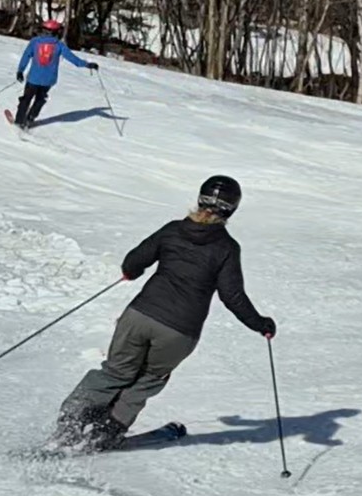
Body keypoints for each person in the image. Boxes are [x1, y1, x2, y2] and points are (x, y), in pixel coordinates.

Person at [52, 176, 272, 451]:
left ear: (200, 198)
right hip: (179, 331)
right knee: (148, 379)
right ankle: (106, 431)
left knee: (115, 372)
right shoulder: (226, 248)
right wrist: (260, 324)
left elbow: (133, 262)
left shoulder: (173, 230)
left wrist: (131, 272)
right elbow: (232, 296)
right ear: (232, 209)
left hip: (140, 315)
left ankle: (71, 420)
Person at [12, 19, 99, 129]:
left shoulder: (35, 42)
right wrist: (87, 65)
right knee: (40, 99)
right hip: (48, 80)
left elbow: (26, 56)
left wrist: (20, 70)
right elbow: (74, 60)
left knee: (26, 98)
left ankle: (19, 121)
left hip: (33, 79)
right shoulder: (59, 45)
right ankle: (30, 119)